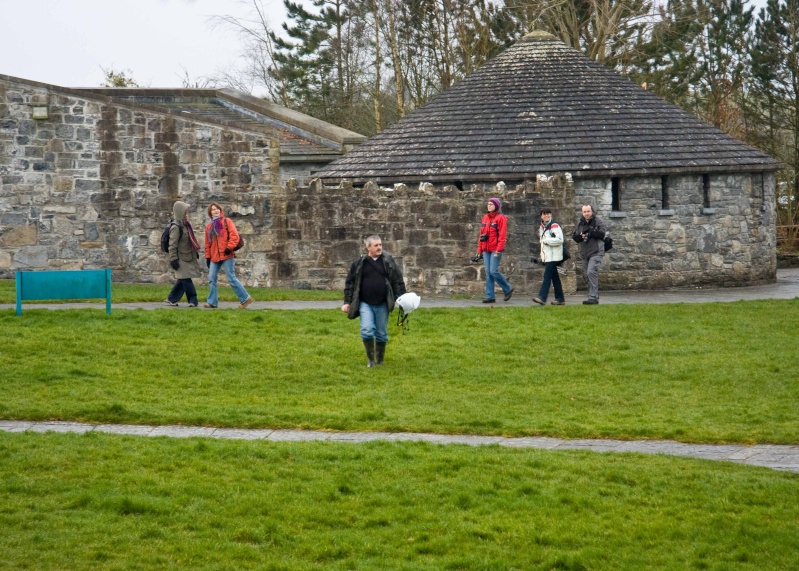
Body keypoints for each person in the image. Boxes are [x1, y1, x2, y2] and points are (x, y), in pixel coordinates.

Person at [341, 235, 407, 367]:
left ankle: (380, 361)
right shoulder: (359, 263)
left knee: (381, 333)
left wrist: (402, 297)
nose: (379, 247)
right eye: (376, 245)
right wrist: (347, 302)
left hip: (383, 303)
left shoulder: (388, 261)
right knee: (366, 329)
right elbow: (350, 283)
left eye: (380, 245)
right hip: (365, 303)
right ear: (368, 248)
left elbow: (397, 279)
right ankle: (371, 361)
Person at [203, 202, 253, 309]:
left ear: (220, 210)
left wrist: (229, 247)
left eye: (217, 209)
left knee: (231, 278)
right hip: (214, 256)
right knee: (211, 278)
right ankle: (212, 302)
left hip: (227, 254)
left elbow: (234, 236)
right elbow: (208, 243)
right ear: (210, 213)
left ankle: (245, 298)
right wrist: (208, 256)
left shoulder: (227, 221)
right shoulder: (209, 227)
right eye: (213, 209)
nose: (215, 211)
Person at [165, 200, 203, 307]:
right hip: (180, 258)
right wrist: (173, 259)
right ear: (180, 213)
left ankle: (172, 299)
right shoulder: (176, 227)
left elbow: (189, 241)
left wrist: (194, 253)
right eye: (185, 213)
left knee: (183, 278)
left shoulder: (186, 225)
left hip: (188, 256)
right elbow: (172, 245)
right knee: (186, 279)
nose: (187, 215)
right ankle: (193, 300)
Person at [477, 197, 513, 303]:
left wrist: (499, 249)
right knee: (488, 273)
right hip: (486, 248)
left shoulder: (501, 218)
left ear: (496, 206)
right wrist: (479, 249)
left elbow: (502, 236)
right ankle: (490, 296)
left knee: (493, 271)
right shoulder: (485, 218)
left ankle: (507, 288)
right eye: (488, 204)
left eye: (491, 204)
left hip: (495, 249)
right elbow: (481, 235)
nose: (489, 206)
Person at [571, 203, 606, 305]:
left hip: (596, 251)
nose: (587, 213)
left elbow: (602, 234)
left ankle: (593, 297)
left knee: (591, 272)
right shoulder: (580, 224)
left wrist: (591, 231)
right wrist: (580, 236)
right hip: (585, 253)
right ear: (582, 213)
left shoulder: (598, 221)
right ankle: (593, 295)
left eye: (588, 211)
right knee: (587, 275)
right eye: (584, 212)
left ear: (592, 211)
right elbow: (575, 237)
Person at [532, 207, 566, 306]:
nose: (547, 215)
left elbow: (560, 240)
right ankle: (560, 299)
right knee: (555, 278)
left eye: (548, 213)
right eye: (544, 214)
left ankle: (542, 297)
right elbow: (542, 244)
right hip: (548, 257)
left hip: (554, 256)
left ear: (551, 215)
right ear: (541, 216)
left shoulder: (554, 226)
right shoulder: (541, 228)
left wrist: (547, 241)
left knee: (547, 276)